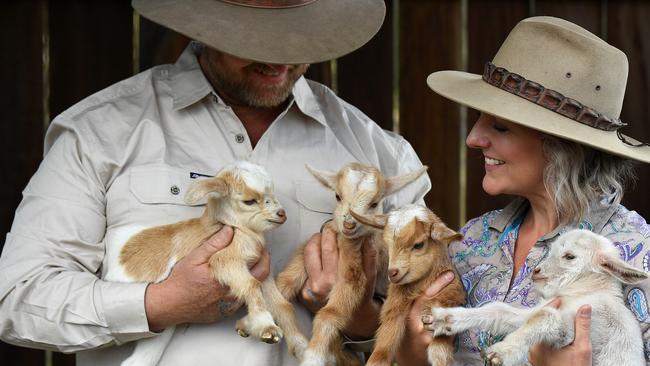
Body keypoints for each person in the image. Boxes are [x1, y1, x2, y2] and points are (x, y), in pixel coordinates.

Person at [0, 1, 431, 365]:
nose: (279, 58)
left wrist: (351, 316)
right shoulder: (101, 131)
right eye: (253, 38)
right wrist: (160, 304)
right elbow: (18, 299)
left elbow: (429, 334)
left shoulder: (380, 154)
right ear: (203, 24)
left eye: (298, 36)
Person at [396, 16, 650, 365]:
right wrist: (413, 353)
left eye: (499, 126)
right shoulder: (471, 241)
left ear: (562, 148)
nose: (473, 138)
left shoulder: (637, 254)